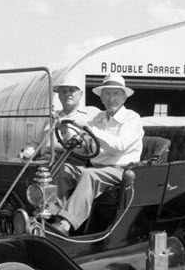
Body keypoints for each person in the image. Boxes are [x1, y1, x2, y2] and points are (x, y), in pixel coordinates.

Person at [49, 73, 143, 236]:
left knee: (89, 175)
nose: (111, 98)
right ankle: (50, 217)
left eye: (115, 93)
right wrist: (65, 132)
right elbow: (84, 148)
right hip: (95, 166)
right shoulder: (98, 118)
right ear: (102, 98)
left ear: (124, 97)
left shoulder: (132, 118)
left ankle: (65, 224)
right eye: (107, 94)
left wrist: (90, 129)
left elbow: (119, 146)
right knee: (63, 169)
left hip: (121, 170)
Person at [23, 73, 101, 159]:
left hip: (72, 161)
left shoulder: (92, 114)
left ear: (81, 94)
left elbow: (90, 147)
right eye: (64, 91)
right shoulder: (53, 116)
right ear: (59, 95)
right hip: (46, 160)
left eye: (72, 90)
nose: (67, 94)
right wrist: (26, 154)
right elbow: (37, 143)